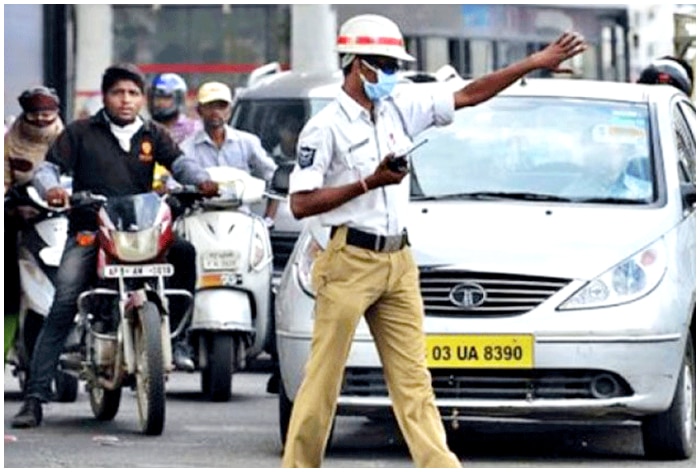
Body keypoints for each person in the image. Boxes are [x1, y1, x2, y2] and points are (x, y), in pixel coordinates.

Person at [280, 14, 586, 468]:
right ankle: (299, 465)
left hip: (397, 259)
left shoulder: (399, 106)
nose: (389, 74)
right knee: (324, 378)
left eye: (393, 65)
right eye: (381, 64)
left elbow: (469, 93)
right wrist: (369, 182)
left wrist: (535, 62)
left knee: (413, 379)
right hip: (347, 260)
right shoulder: (325, 127)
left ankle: (439, 465)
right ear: (354, 64)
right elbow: (301, 203)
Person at [11, 63, 219, 429]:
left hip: (139, 230)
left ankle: (180, 336)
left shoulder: (153, 133)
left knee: (185, 252)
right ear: (105, 97)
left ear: (142, 98)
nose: (126, 100)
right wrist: (53, 190)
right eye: (119, 93)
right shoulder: (79, 132)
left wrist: (202, 181)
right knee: (63, 303)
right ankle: (35, 398)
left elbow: (181, 164)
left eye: (133, 93)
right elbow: (47, 170)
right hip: (91, 229)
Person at [4, 86, 66, 360]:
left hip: (67, 217)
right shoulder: (9, 142)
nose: (41, 120)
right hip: (22, 219)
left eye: (47, 114)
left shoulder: (69, 139)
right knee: (7, 275)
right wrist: (12, 208)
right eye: (35, 114)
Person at [179, 81, 279, 227]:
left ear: (229, 110)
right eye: (210, 106)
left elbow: (274, 178)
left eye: (221, 106)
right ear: (199, 111)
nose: (216, 111)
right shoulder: (187, 148)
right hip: (199, 223)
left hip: (243, 223)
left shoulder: (248, 143)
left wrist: (268, 220)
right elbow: (174, 186)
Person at [147, 72, 202, 193]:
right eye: (156, 97)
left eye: (166, 98)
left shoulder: (194, 129)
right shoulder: (146, 129)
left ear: (179, 99)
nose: (159, 103)